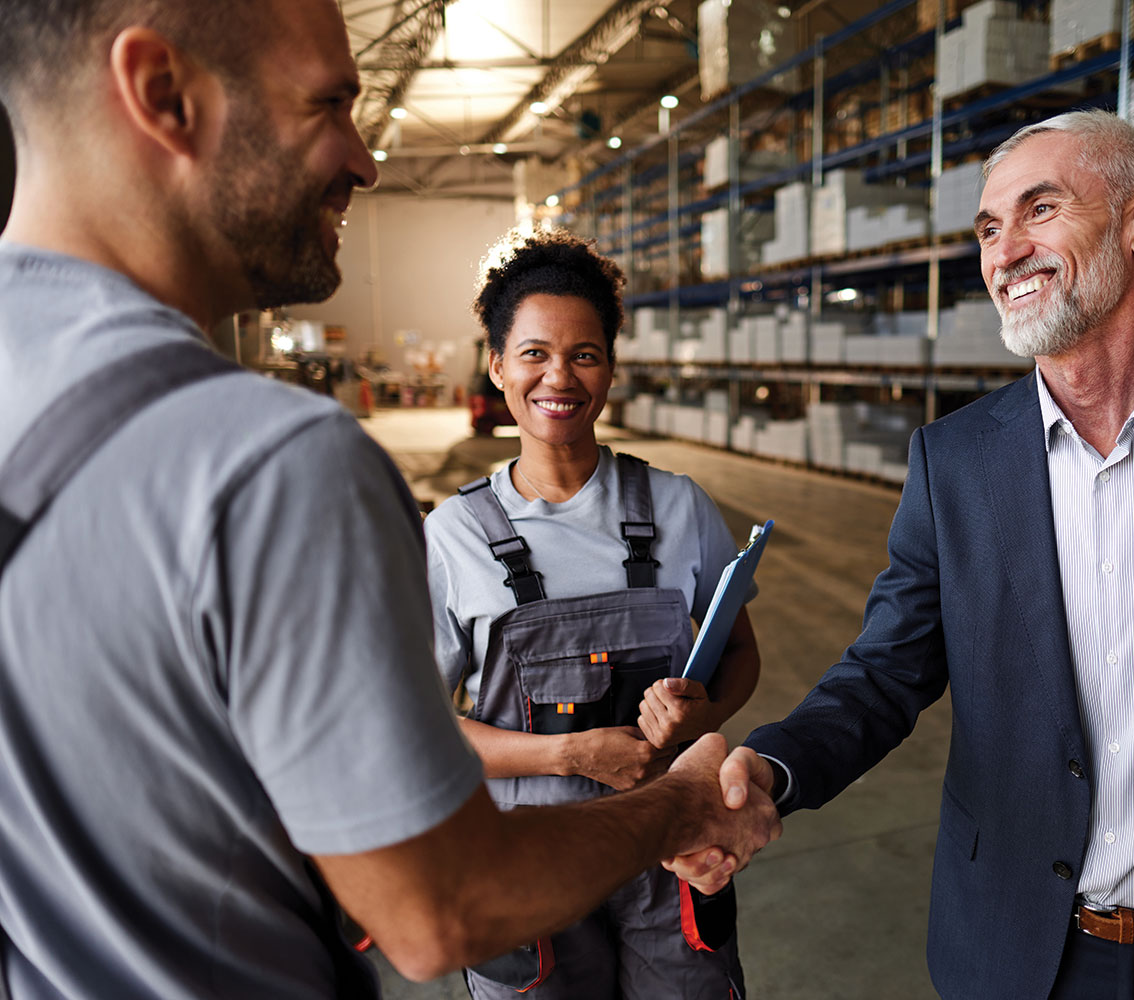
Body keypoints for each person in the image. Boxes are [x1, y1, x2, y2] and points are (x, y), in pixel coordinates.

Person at [0, 2, 778, 998]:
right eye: (328, 102)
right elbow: (437, 910)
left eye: (586, 354)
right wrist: (678, 810)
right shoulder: (273, 468)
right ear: (163, 94)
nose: (365, 160)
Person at [670, 109, 1134, 1000]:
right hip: (1011, 954)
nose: (1005, 250)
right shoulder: (953, 463)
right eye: (989, 227)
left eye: (1040, 209)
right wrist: (772, 773)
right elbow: (883, 675)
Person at [423, 229, 761, 999]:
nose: (559, 378)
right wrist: (568, 757)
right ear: (498, 365)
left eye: (585, 354)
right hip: (526, 861)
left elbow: (741, 655)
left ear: (609, 366)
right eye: (535, 353)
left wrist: (703, 709)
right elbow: (419, 725)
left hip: (669, 854)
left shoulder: (680, 507)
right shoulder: (451, 538)